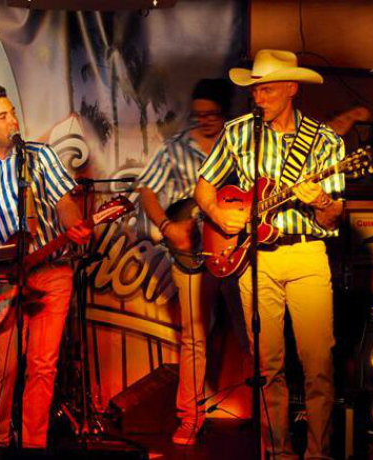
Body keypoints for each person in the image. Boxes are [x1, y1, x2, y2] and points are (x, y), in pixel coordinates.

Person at [195, 50, 344, 459]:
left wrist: (321, 201)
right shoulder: (239, 132)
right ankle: (276, 453)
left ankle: (318, 454)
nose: (258, 98)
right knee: (267, 367)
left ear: (292, 89)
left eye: (268, 90)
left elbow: (334, 217)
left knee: (318, 364)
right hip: (255, 258)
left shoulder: (325, 141)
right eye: (255, 91)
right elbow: (204, 187)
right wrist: (219, 215)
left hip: (307, 255)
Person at [0, 85, 91, 458]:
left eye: (12, 112)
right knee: (4, 365)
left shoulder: (40, 155)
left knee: (43, 364)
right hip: (3, 278)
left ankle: (33, 445)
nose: (13, 120)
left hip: (52, 270)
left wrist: (74, 224)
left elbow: (64, 202)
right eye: (2, 116)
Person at [136, 78, 243, 445]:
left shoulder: (241, 146)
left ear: (225, 112)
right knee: (194, 337)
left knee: (253, 334)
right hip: (193, 252)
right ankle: (189, 417)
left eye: (212, 114)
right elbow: (147, 190)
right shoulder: (175, 148)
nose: (204, 120)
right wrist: (167, 226)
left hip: (239, 251)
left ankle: (270, 420)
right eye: (198, 115)